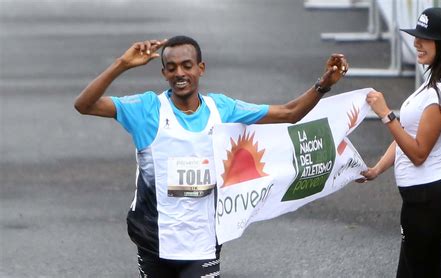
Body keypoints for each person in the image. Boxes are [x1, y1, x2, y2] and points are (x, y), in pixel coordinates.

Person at [74, 35, 348, 277]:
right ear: (164, 74)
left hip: (203, 240)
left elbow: (290, 113)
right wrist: (122, 63)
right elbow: (84, 105)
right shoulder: (147, 109)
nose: (180, 73)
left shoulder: (222, 109)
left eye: (187, 66)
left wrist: (324, 84)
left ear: (200, 69)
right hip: (153, 238)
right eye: (171, 68)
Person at [360, 8, 441, 278]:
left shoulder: (440, 94)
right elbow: (406, 135)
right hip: (422, 198)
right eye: (417, 36)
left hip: (429, 200)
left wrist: (386, 114)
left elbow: (418, 153)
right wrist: (376, 170)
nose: (417, 43)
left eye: (425, 38)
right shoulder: (431, 83)